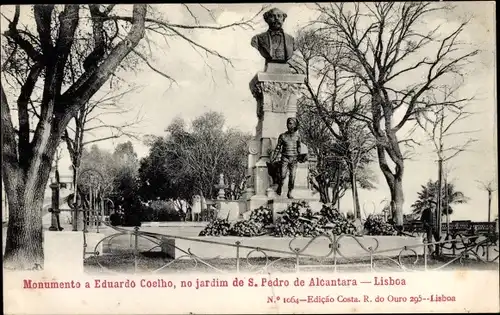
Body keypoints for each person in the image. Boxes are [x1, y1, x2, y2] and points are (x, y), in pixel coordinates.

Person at [270, 117, 302, 199]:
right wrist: (273, 158)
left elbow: (299, 148)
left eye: (291, 123)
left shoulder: (298, 136)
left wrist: (301, 155)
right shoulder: (282, 136)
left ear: (295, 125)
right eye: (288, 123)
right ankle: (280, 186)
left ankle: (290, 192)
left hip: (294, 159)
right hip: (285, 158)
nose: (289, 125)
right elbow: (278, 148)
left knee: (292, 177)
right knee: (282, 175)